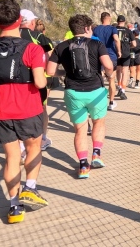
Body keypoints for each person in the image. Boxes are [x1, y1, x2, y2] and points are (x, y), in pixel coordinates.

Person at [0, 0, 49, 224]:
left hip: (1, 109)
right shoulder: (32, 49)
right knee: (33, 148)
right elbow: (40, 82)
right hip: (29, 106)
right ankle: (30, 188)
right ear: (19, 20)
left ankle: (15, 207)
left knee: (12, 157)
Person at [46, 14, 115, 179]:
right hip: (96, 91)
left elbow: (49, 71)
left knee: (80, 130)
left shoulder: (61, 47)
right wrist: (108, 74)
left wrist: (65, 73)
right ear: (86, 28)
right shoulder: (97, 44)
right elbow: (108, 65)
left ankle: (83, 166)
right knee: (98, 122)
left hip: (73, 93)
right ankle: (96, 154)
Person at [19, 9, 53, 152]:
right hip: (37, 78)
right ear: (32, 22)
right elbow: (50, 57)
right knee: (42, 108)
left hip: (15, 80)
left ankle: (21, 144)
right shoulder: (38, 36)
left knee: (20, 109)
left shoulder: (11, 35)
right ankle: (42, 138)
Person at [92, 12, 122, 104]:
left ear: (101, 19)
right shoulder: (113, 28)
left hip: (99, 55)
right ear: (109, 18)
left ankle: (98, 101)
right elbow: (116, 39)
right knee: (111, 79)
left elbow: (92, 41)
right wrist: (119, 51)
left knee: (99, 78)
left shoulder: (96, 29)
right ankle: (111, 102)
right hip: (111, 56)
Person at [115, 15, 136, 96]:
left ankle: (119, 86)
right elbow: (134, 44)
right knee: (125, 71)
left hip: (116, 52)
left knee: (118, 70)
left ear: (117, 21)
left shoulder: (113, 29)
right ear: (124, 22)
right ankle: (123, 90)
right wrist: (129, 46)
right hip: (126, 53)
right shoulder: (128, 31)